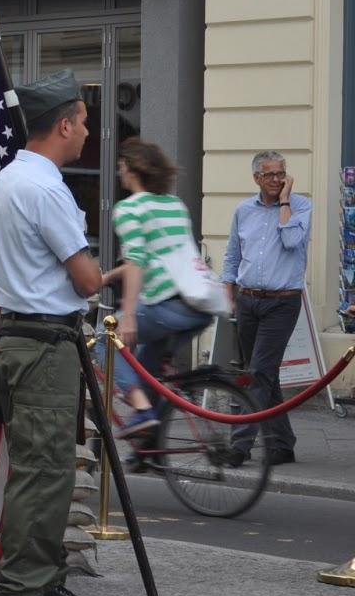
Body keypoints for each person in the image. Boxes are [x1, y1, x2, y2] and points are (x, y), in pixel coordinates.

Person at [0, 69, 104, 596]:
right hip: (44, 343)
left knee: (46, 468)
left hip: (25, 338)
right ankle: (22, 593)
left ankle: (46, 581)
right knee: (43, 470)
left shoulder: (10, 179)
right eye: (82, 122)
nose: (87, 133)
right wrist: (113, 274)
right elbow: (85, 279)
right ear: (62, 123)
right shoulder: (46, 187)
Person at [102, 138, 211, 440]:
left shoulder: (129, 209)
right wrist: (107, 276)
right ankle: (149, 447)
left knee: (104, 339)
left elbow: (137, 261)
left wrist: (127, 316)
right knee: (149, 372)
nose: (120, 172)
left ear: (133, 169)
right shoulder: (174, 205)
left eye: (122, 166)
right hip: (198, 307)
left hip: (166, 306)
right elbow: (159, 255)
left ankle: (141, 410)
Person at [220, 150, 310, 467]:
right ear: (256, 177)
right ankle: (283, 445)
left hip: (282, 302)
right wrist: (228, 292)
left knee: (258, 374)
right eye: (270, 174)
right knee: (263, 375)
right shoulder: (244, 210)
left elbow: (290, 241)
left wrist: (285, 201)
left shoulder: (300, 207)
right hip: (248, 300)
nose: (276, 179)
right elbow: (233, 256)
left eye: (281, 173)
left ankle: (239, 446)